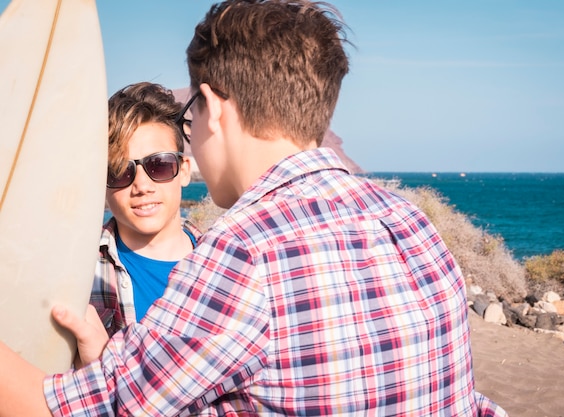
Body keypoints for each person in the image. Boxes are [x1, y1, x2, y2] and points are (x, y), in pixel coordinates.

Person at [0, 1, 508, 415]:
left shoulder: (244, 253)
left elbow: (67, 408)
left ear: (213, 109)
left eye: (188, 116)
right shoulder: (412, 224)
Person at [94, 82, 202, 338]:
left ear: (184, 170)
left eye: (159, 165)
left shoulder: (226, 265)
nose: (141, 186)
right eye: (120, 171)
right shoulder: (80, 271)